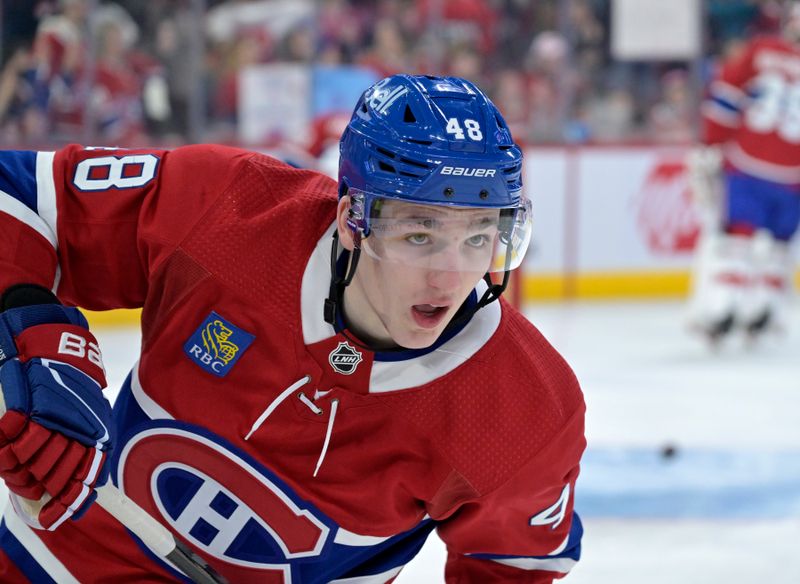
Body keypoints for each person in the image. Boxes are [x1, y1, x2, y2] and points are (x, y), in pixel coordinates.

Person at [0, 74, 585, 582]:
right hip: (49, 563)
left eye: (479, 236)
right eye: (419, 235)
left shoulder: (528, 412)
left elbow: (511, 568)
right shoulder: (227, 209)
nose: (452, 276)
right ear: (351, 222)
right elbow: (18, 194)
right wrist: (25, 330)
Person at [687, 3, 800, 343]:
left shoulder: (761, 50)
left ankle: (724, 305)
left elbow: (726, 96)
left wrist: (711, 142)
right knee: (780, 245)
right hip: (793, 173)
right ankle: (766, 308)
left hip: (749, 163)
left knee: (738, 236)